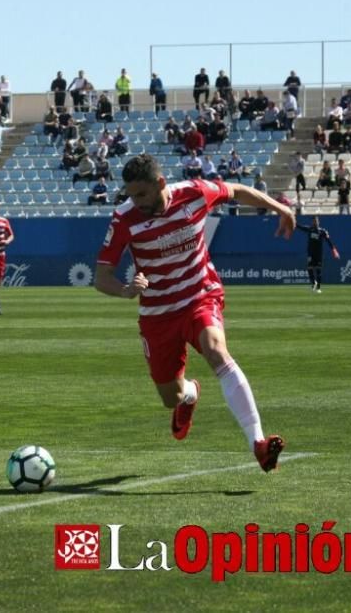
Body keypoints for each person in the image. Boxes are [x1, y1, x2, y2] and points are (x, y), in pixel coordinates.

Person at [94, 154, 294, 472]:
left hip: (200, 296)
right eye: (131, 195)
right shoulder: (124, 218)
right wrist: (125, 289)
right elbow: (101, 275)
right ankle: (189, 394)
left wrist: (280, 208)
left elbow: (236, 190)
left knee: (217, 351)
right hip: (158, 313)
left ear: (161, 183)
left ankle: (257, 443)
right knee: (169, 396)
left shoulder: (194, 192)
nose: (136, 201)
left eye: (142, 194)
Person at [296, 216, 339, 293]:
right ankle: (313, 283)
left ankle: (318, 288)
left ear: (319, 222)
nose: (315, 222)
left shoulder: (322, 231)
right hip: (310, 253)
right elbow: (299, 227)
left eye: (316, 221)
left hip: (318, 253)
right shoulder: (309, 229)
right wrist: (292, 222)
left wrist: (334, 250)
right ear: (312, 222)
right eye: (313, 221)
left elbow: (329, 241)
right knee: (309, 268)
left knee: (318, 270)